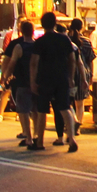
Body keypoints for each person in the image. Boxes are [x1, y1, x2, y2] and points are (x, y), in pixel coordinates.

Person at [30, 13, 83, 153]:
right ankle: (71, 139)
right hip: (62, 77)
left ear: (42, 24)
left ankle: (40, 141)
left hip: (44, 78)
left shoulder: (40, 42)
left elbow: (34, 63)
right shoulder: (64, 39)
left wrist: (33, 81)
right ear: (55, 23)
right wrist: (70, 77)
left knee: (42, 110)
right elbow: (72, 59)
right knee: (65, 108)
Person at [3, 21, 40, 149]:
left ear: (21, 31)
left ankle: (28, 137)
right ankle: (36, 135)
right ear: (33, 31)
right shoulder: (37, 46)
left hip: (22, 82)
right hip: (36, 82)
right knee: (36, 110)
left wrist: (6, 77)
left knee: (23, 110)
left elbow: (11, 64)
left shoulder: (19, 47)